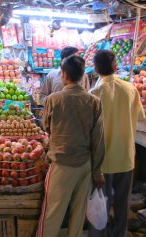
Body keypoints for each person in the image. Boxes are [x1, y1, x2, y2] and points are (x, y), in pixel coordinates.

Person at [37, 56, 105, 237]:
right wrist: (97, 172)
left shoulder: (53, 99)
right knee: (78, 215)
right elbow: (98, 139)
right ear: (82, 75)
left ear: (64, 75)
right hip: (85, 165)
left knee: (52, 214)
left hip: (61, 164)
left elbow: (47, 127)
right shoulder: (94, 101)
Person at [88, 50, 146, 237]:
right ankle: (120, 234)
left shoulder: (93, 93)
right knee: (122, 203)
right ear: (115, 66)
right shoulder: (131, 89)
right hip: (125, 156)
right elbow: (139, 117)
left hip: (102, 161)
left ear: (95, 68)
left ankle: (100, 234)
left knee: (101, 204)